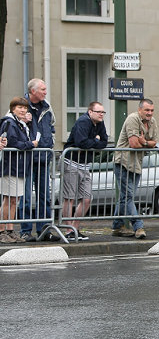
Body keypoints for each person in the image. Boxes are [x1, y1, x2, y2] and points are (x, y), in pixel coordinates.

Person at [111, 99, 157, 239]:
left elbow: (154, 142)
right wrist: (145, 143)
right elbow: (133, 144)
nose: (149, 113)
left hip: (137, 163)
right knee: (129, 196)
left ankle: (117, 225)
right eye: (146, 110)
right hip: (123, 162)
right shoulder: (132, 119)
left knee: (125, 197)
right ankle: (138, 226)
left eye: (151, 110)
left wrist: (144, 141)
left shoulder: (152, 122)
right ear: (139, 110)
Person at [62, 101, 108, 241]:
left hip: (85, 164)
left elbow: (105, 141)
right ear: (90, 112)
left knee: (87, 199)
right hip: (72, 162)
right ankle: (68, 230)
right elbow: (81, 142)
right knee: (69, 198)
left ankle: (75, 228)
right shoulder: (83, 122)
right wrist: (95, 140)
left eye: (103, 112)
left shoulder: (99, 123)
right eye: (98, 112)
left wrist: (94, 141)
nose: (101, 115)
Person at [18, 78, 55, 241]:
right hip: (27, 159)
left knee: (44, 196)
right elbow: (10, 125)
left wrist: (51, 142)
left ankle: (44, 230)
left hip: (43, 158)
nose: (45, 92)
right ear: (33, 91)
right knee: (25, 197)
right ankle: (25, 231)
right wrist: (22, 120)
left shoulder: (47, 107)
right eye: (42, 89)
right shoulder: (21, 106)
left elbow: (52, 126)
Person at [0, 97, 38, 243]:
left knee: (14, 200)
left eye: (25, 108)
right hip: (10, 166)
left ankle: (10, 230)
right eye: (19, 107)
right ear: (12, 109)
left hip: (20, 167)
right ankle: (2, 230)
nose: (23, 110)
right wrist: (30, 144)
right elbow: (13, 142)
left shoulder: (20, 124)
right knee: (8, 199)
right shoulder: (9, 123)